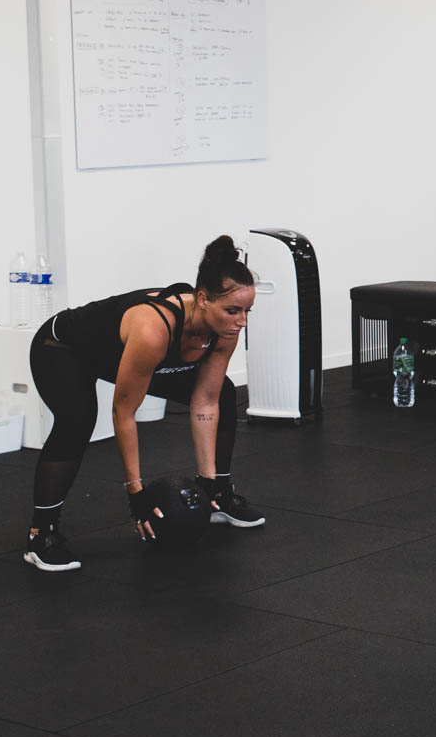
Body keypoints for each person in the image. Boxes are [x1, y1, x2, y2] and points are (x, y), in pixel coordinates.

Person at [22, 236, 264, 571]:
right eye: (233, 311)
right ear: (203, 300)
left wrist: (205, 483)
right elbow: (124, 412)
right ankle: (41, 533)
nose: (242, 321)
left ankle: (219, 493)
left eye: (247, 310)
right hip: (64, 349)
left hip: (115, 354)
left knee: (222, 390)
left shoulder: (226, 329)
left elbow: (205, 400)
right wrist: (137, 496)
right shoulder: (154, 329)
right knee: (76, 421)